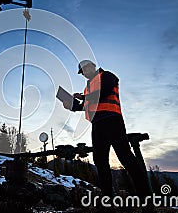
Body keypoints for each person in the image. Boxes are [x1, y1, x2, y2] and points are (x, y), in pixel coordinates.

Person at [63, 60, 152, 211]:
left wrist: (83, 97)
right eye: (82, 72)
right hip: (97, 125)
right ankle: (107, 203)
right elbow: (86, 106)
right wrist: (71, 105)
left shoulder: (107, 76)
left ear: (91, 67)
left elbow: (103, 92)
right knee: (100, 161)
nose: (84, 74)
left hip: (112, 120)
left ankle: (147, 201)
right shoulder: (88, 88)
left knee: (126, 158)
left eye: (85, 70)